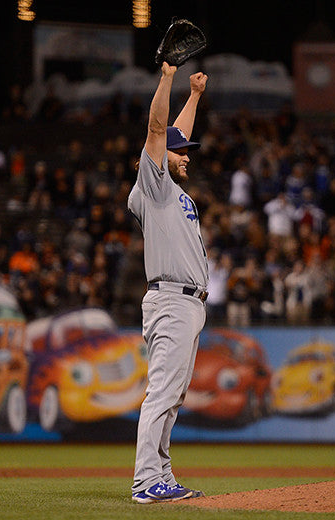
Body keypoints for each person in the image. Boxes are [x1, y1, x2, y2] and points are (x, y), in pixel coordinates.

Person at [128, 61, 209, 504]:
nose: (186, 156)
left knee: (173, 396)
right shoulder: (154, 185)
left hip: (188, 304)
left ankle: (161, 474)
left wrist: (194, 96)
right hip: (172, 300)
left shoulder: (171, 189)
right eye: (180, 153)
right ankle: (146, 482)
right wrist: (167, 77)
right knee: (162, 392)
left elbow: (174, 133)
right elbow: (159, 130)